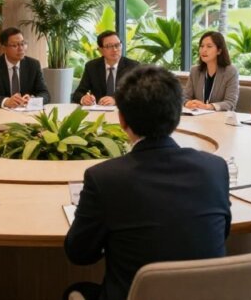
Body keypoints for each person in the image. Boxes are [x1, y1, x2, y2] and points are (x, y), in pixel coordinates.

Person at [64, 65, 231, 300]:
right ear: (176, 116)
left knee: (75, 291)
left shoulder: (105, 178)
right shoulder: (214, 168)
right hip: (207, 294)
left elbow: (80, 253)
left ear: (121, 119)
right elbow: (221, 233)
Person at [0, 27, 50, 107]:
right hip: (1, 115)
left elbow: (45, 94)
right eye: (15, 45)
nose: (20, 48)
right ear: (4, 48)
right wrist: (6, 101)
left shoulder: (33, 65)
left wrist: (33, 100)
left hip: (27, 114)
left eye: (23, 44)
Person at [71, 31, 139, 106]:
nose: (115, 49)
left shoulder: (133, 66)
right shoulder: (92, 67)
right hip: (98, 113)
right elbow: (78, 93)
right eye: (109, 46)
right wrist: (84, 99)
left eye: (117, 45)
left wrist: (116, 100)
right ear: (100, 50)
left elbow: (138, 93)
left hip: (123, 111)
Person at [183, 31, 240, 112]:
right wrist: (187, 103)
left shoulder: (230, 71)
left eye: (209, 46)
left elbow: (230, 103)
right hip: (197, 119)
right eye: (202, 46)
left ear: (219, 51)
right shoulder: (195, 71)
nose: (204, 50)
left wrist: (208, 107)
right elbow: (184, 97)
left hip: (220, 120)